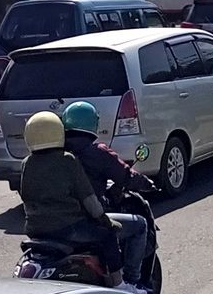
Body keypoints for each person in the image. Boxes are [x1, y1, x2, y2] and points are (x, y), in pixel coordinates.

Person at [19, 111, 149, 294]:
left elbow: (25, 194)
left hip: (35, 229)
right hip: (69, 227)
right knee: (107, 235)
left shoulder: (27, 163)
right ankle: (121, 285)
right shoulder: (67, 160)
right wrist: (104, 220)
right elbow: (88, 196)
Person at [61, 103, 154, 287]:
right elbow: (125, 175)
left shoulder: (57, 153)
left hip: (58, 220)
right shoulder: (97, 152)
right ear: (92, 123)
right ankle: (131, 283)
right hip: (86, 220)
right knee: (140, 226)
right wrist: (147, 184)